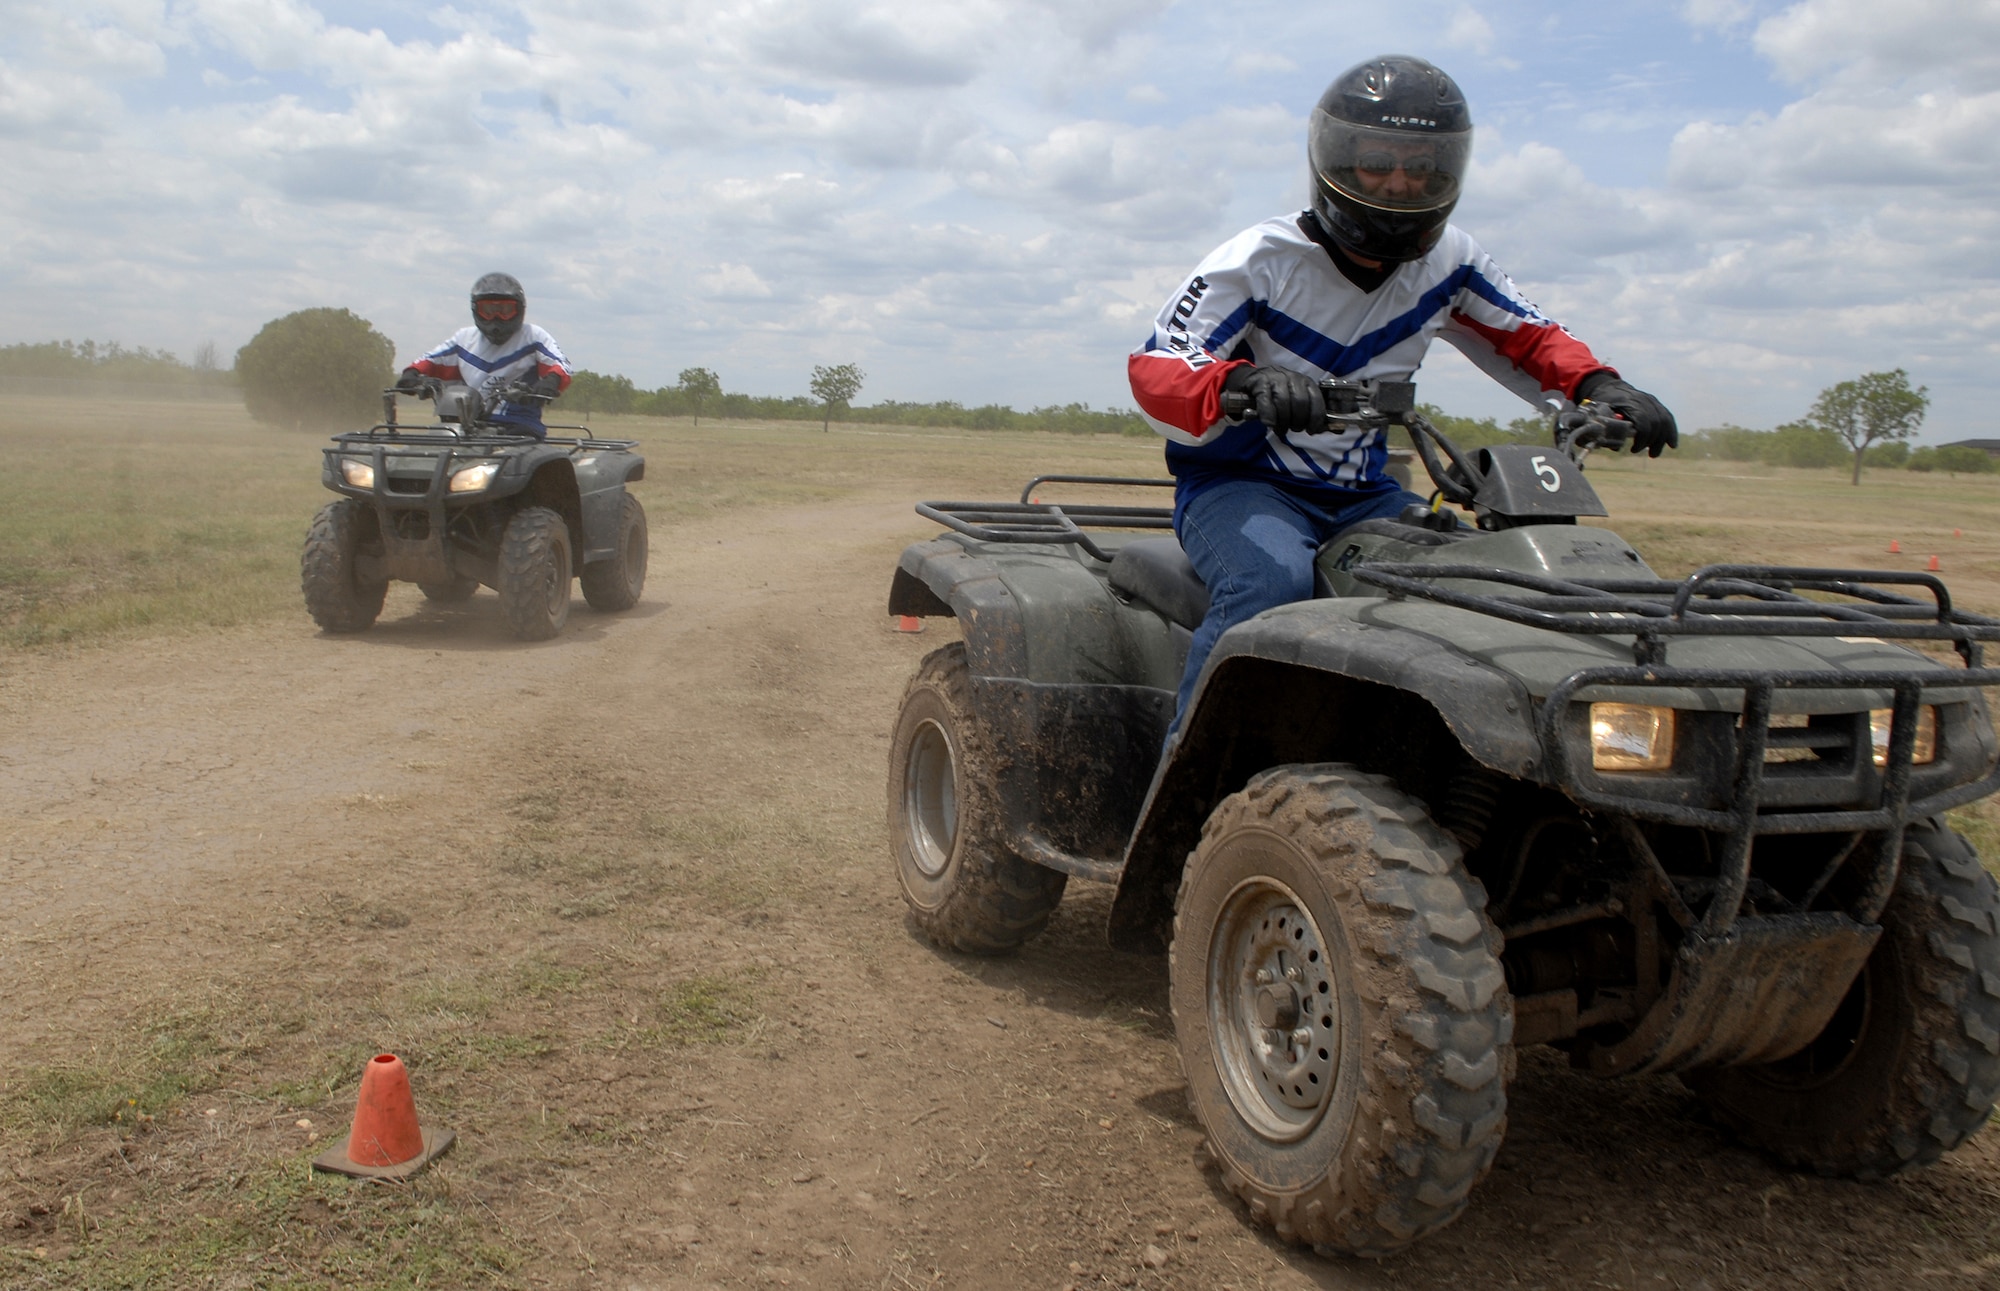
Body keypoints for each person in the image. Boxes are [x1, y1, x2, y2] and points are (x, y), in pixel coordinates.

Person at [1128, 55, 1677, 738]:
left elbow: (1530, 338)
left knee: (1476, 584)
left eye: (1420, 167)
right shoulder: (1258, 260)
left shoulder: (1451, 263)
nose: (1398, 182)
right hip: (1241, 487)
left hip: (1368, 494)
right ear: (1337, 159)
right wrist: (1241, 384)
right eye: (1377, 162)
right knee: (1267, 587)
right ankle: (1191, 774)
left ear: (1448, 173)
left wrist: (1601, 387)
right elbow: (1159, 365)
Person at [395, 272, 572, 436]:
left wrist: (550, 381)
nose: (496, 318)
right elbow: (427, 361)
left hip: (518, 427)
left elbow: (561, 365)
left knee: (515, 464)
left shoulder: (533, 336)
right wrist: (412, 376)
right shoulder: (464, 339)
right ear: (475, 310)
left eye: (504, 311)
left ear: (519, 309)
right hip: (465, 425)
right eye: (487, 311)